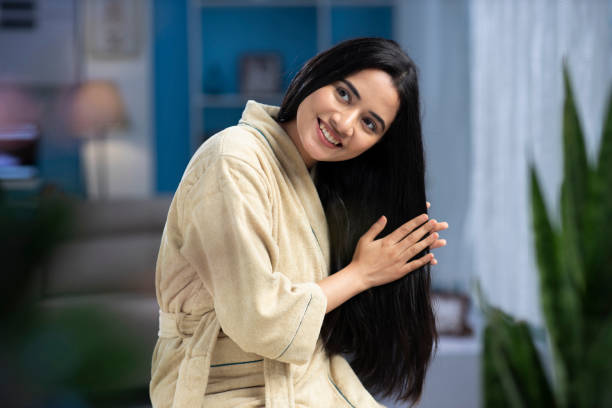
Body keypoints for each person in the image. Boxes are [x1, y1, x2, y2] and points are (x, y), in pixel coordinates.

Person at [150, 37, 448, 408]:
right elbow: (258, 318)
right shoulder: (234, 160)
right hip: (222, 387)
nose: (344, 123)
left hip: (301, 381)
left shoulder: (319, 181)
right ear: (317, 74)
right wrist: (362, 274)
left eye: (369, 123)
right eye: (344, 94)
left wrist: (394, 255)